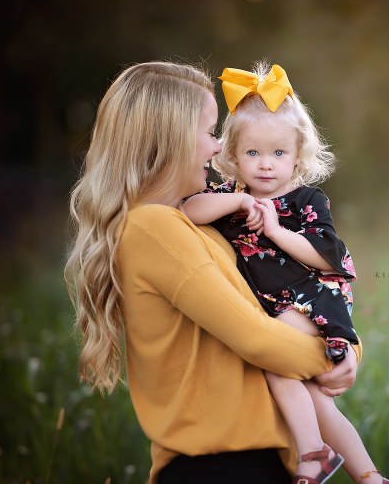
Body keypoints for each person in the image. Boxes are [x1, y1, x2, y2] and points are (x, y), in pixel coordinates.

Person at [64, 61, 362, 484]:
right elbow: (257, 339)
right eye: (209, 133)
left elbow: (272, 311)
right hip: (220, 466)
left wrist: (346, 346)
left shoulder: (196, 224)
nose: (217, 147)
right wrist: (336, 355)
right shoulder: (155, 228)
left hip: (247, 460)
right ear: (171, 141)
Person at [183, 63, 389, 484]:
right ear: (232, 156)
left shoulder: (305, 199)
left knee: (276, 361)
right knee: (315, 397)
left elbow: (327, 256)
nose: (265, 165)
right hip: (275, 307)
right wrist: (239, 205)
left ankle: (313, 454)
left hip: (312, 294)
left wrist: (275, 228)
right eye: (252, 153)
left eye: (278, 153)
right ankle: (368, 475)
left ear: (298, 156)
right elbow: (189, 210)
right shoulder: (231, 197)